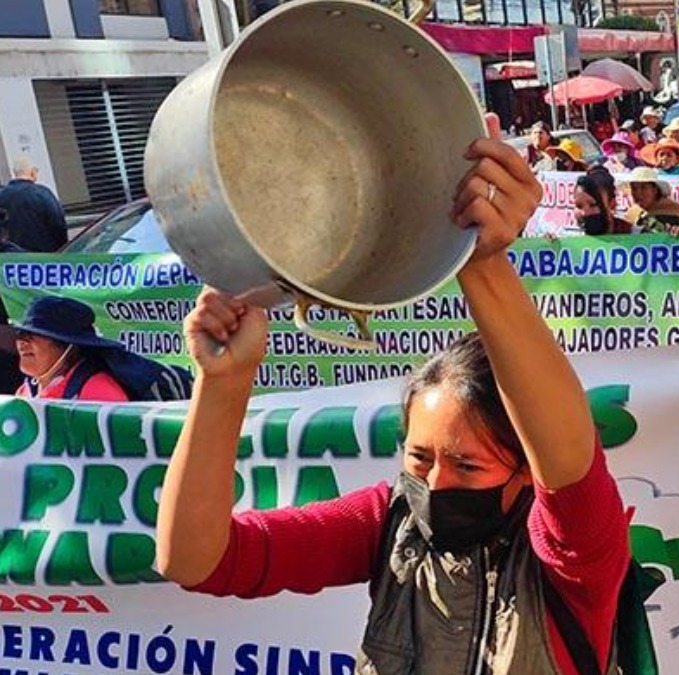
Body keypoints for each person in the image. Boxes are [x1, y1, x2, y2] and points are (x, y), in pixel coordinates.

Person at [156, 138, 632, 675]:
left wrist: (480, 262)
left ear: (525, 470)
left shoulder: (573, 558)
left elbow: (569, 456)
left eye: (468, 466)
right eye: (419, 458)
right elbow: (195, 560)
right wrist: (223, 384)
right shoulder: (387, 523)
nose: (436, 484)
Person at [11, 296, 129, 402]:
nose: (22, 342)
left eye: (33, 335)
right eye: (20, 334)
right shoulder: (26, 391)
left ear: (68, 346)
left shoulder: (100, 392)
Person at [0, 157, 68, 252]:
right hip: (44, 259)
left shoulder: (2, 195)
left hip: (12, 260)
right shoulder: (43, 194)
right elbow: (58, 225)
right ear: (32, 172)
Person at [623, 166, 679, 235]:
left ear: (655, 190)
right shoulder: (632, 214)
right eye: (634, 189)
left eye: (644, 188)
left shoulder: (674, 212)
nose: (638, 193)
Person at [574, 166, 633, 235]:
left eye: (593, 205)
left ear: (612, 204)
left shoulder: (636, 235)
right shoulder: (569, 240)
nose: (585, 213)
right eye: (579, 206)